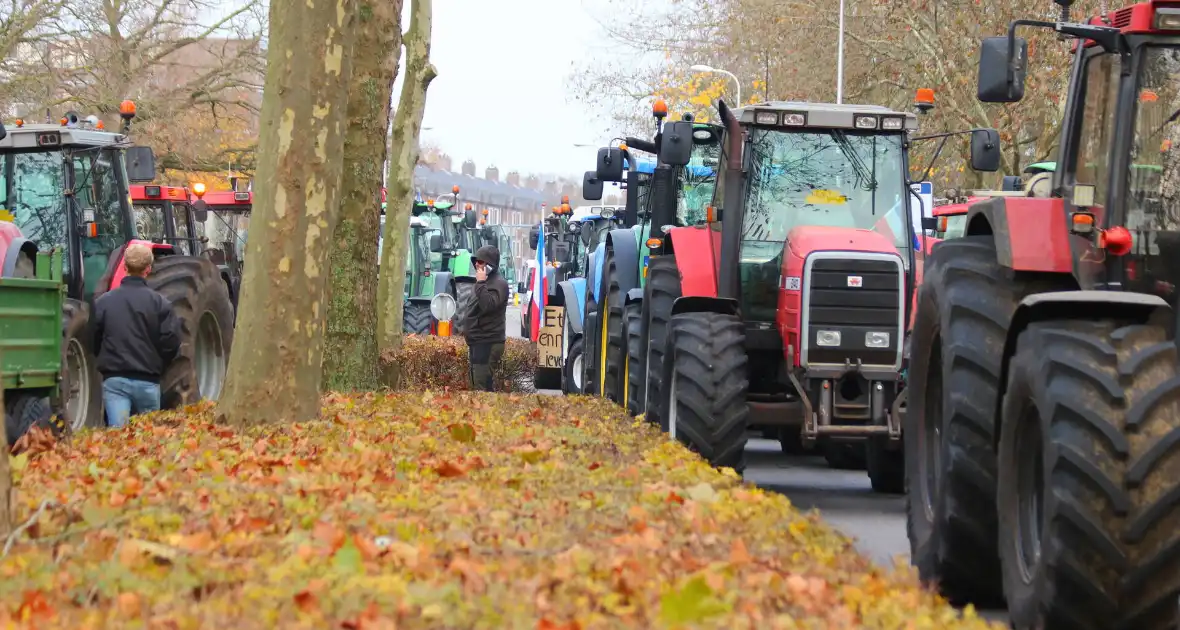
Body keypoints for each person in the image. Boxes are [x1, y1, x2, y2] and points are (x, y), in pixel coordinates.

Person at [93, 243, 181, 427]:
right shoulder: (161, 304)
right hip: (148, 381)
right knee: (149, 440)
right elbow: (171, 342)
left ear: (124, 267)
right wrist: (159, 366)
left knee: (118, 438)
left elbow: (93, 339)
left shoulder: (103, 303)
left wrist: (105, 360)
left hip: (115, 381)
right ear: (148, 269)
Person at [463, 244, 509, 391]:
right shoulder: (483, 283)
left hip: (488, 342)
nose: (477, 263)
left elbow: (488, 305)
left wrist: (481, 282)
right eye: (476, 260)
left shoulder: (499, 284)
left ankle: (487, 414)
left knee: (482, 388)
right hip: (478, 342)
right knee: (478, 384)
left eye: (481, 261)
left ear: (490, 265)